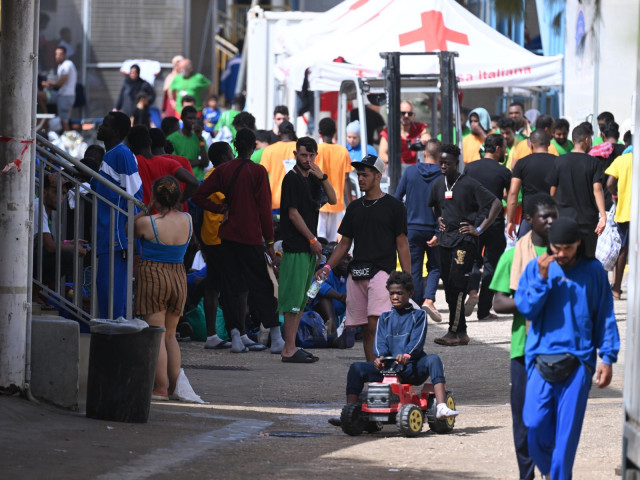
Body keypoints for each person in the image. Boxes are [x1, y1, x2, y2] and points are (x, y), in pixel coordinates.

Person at [514, 217, 620, 480]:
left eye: (567, 248)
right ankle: (550, 472)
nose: (560, 254)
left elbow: (605, 315)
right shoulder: (536, 268)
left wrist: (607, 357)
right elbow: (526, 308)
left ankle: (560, 475)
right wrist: (540, 280)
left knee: (566, 437)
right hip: (539, 358)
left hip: (579, 363)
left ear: (579, 244)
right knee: (534, 424)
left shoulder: (594, 271)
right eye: (555, 247)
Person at [191, 129, 284, 354]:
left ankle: (235, 337)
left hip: (227, 238)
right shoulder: (258, 171)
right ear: (253, 146)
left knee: (230, 287)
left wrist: (221, 207)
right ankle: (275, 336)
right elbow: (264, 209)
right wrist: (270, 242)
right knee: (261, 285)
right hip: (251, 237)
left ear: (235, 146)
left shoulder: (222, 170)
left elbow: (198, 196)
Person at [330, 271, 459, 425]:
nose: (395, 297)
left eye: (400, 293)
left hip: (411, 369)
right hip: (388, 369)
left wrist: (407, 355)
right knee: (356, 368)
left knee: (434, 359)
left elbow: (417, 341)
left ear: (410, 293)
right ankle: (350, 412)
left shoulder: (418, 315)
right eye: (392, 294)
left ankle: (441, 406)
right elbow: (379, 343)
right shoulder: (385, 317)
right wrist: (380, 357)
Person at [316, 154, 411, 361]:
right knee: (366, 329)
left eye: (365, 175)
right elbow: (343, 244)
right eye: (359, 175)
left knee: (376, 324)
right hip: (356, 274)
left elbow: (402, 243)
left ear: (378, 176)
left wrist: (407, 277)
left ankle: (387, 370)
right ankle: (373, 371)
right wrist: (327, 268)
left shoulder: (395, 207)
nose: (360, 179)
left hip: (382, 273)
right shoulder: (354, 207)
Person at [491, 193, 558, 480]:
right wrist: (532, 300)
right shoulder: (511, 256)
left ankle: (551, 471)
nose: (552, 221)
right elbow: (499, 302)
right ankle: (527, 475)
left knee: (551, 417)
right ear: (528, 220)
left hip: (557, 347)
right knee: (522, 421)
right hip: (523, 349)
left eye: (555, 214)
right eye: (546, 216)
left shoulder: (564, 254)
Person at [427, 144, 502, 346]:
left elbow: (496, 203)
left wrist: (479, 229)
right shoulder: (437, 184)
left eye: (447, 163)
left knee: (458, 283)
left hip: (464, 241)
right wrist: (439, 219)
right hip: (445, 241)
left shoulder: (468, 183)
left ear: (456, 163)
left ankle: (453, 330)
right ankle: (462, 332)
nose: (443, 166)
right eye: (441, 162)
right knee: (450, 284)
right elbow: (435, 205)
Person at [133, 176, 193, 400]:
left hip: (153, 276)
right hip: (178, 276)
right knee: (170, 336)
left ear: (156, 197)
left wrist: (147, 209)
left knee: (156, 335)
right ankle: (173, 387)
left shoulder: (148, 223)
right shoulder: (188, 219)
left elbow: (129, 230)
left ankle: (159, 388)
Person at [279, 137, 337, 363]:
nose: (307, 159)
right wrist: (312, 239)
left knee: (303, 298)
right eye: (303, 155)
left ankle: (292, 346)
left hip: (309, 249)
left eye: (311, 155)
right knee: (293, 299)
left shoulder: (312, 179)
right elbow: (292, 214)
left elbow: (332, 199)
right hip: (297, 246)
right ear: (295, 154)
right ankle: (289, 348)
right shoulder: (291, 179)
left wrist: (321, 176)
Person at [94, 111, 143, 319]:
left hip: (117, 236)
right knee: (105, 288)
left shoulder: (121, 154)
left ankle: (117, 335)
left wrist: (129, 232)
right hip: (107, 233)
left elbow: (135, 195)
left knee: (112, 290)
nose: (99, 127)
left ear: (115, 131)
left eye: (104, 124)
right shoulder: (110, 154)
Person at [464, 134, 512, 321]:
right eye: (505, 148)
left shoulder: (470, 168)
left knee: (473, 260)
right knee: (492, 264)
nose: (506, 152)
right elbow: (511, 196)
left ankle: (473, 290)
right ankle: (484, 310)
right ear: (498, 148)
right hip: (494, 222)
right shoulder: (504, 172)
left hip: (473, 220)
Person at [394, 138, 443, 321]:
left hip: (412, 227)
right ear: (440, 156)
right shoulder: (443, 176)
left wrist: (402, 223)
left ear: (424, 153)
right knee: (435, 266)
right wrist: (439, 231)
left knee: (414, 268)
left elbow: (397, 198)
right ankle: (429, 299)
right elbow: (445, 207)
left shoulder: (410, 172)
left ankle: (414, 305)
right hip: (433, 228)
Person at [546, 124, 607, 257]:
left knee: (566, 257)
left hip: (564, 219)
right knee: (588, 258)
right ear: (586, 140)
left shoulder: (559, 161)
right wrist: (603, 216)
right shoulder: (593, 162)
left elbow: (552, 192)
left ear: (573, 141)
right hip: (587, 220)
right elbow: (597, 189)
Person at [199, 142, 235, 349]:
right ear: (223, 157)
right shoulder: (216, 177)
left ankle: (215, 335)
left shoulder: (214, 175)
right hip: (218, 238)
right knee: (222, 286)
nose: (233, 156)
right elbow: (231, 199)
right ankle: (225, 333)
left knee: (214, 285)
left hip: (213, 237)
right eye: (230, 154)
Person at [33, 173, 88, 305]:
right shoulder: (38, 206)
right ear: (44, 192)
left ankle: (36, 292)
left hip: (31, 257)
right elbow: (50, 246)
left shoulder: (43, 208)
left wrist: (67, 243)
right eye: (56, 192)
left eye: (63, 194)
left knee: (66, 252)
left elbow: (45, 242)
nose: (61, 198)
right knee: (68, 255)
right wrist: (72, 247)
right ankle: (34, 293)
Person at [127, 125, 198, 207]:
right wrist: (179, 201)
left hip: (146, 215)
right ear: (149, 142)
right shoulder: (174, 162)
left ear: (131, 146)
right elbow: (193, 182)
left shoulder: (132, 162)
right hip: (176, 215)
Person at [506, 129, 557, 239]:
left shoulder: (522, 163)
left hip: (529, 218)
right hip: (553, 217)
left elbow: (513, 193)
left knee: (525, 253)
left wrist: (510, 221)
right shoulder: (559, 162)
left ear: (530, 144)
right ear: (549, 143)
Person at [316, 118, 352, 242]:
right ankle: (330, 261)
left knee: (319, 238)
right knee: (332, 240)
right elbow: (347, 179)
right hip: (336, 200)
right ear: (335, 132)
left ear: (319, 132)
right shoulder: (343, 151)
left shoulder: (316, 150)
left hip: (319, 200)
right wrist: (350, 202)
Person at [605, 150, 632, 299]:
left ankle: (616, 288)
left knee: (623, 249)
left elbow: (609, 183)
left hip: (625, 211)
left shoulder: (622, 160)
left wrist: (615, 194)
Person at [260, 120, 297, 213]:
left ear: (279, 133)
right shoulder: (300, 149)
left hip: (275, 199)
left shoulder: (269, 150)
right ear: (293, 133)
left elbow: (261, 174)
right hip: (296, 200)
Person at [378, 101, 427, 165]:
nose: (406, 116)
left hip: (416, 169)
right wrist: (399, 166)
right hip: (396, 169)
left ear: (413, 115)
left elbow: (426, 135)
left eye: (409, 114)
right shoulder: (388, 131)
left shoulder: (419, 127)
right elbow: (382, 154)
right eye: (403, 113)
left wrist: (425, 137)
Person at [167, 106, 209, 181]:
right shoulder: (171, 139)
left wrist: (200, 138)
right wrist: (199, 162)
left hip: (199, 179)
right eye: (189, 118)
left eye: (194, 118)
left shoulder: (199, 138)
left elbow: (205, 162)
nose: (193, 121)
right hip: (182, 179)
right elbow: (176, 164)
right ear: (182, 118)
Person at [42, 46, 77, 132]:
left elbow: (61, 83)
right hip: (60, 95)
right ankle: (45, 117)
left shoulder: (67, 65)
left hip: (66, 97)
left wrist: (49, 83)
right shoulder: (61, 66)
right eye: (56, 54)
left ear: (65, 55)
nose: (58, 56)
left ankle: (69, 144)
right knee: (40, 95)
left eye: (60, 54)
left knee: (64, 123)